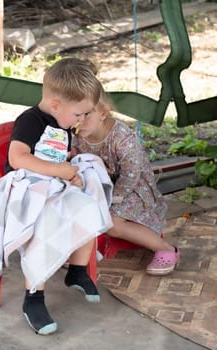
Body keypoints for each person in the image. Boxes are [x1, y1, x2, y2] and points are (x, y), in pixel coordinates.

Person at [3, 58, 109, 335]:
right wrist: (58, 170)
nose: (82, 120)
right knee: (47, 220)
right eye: (80, 114)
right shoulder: (30, 120)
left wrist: (70, 169)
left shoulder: (63, 121)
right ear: (55, 105)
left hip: (51, 183)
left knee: (89, 198)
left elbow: (56, 155)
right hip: (24, 191)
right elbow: (17, 158)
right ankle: (33, 298)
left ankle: (77, 268)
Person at [72, 87, 180, 276]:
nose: (79, 120)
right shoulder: (79, 136)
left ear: (103, 113)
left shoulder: (121, 138)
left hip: (131, 189)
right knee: (73, 207)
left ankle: (166, 249)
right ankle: (80, 255)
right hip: (100, 186)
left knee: (112, 223)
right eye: (75, 114)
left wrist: (114, 198)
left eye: (85, 114)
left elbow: (132, 172)